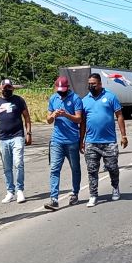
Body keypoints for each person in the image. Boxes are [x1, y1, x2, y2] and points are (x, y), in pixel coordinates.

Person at [80, 73, 128, 207]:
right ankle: (93, 195)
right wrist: (81, 140)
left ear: (100, 84)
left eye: (93, 84)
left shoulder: (110, 96)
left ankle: (115, 187)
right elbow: (83, 122)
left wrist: (123, 136)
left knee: (112, 167)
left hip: (109, 142)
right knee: (92, 170)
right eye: (89, 84)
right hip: (91, 142)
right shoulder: (85, 100)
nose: (91, 86)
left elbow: (119, 116)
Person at [44, 76, 83, 211]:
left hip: (72, 141)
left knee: (75, 168)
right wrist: (53, 115)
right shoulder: (53, 99)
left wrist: (67, 115)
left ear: (68, 88)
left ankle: (75, 192)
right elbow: (48, 120)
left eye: (63, 90)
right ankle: (54, 199)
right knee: (54, 169)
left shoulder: (76, 99)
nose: (61, 92)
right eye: (59, 90)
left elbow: (79, 119)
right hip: (57, 141)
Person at [0, 79, 32, 204]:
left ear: (12, 88)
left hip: (17, 136)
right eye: (5, 88)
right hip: (3, 138)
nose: (7, 90)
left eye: (9, 88)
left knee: (18, 162)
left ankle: (19, 190)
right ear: (0, 88)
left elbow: (27, 117)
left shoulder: (19, 100)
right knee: (7, 166)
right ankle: (10, 191)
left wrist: (28, 133)